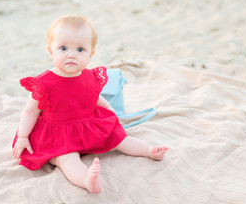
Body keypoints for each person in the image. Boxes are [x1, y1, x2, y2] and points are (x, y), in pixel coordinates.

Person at [12, 15, 168, 193]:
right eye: (63, 48)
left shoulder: (89, 77)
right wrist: (23, 136)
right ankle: (86, 180)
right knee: (67, 158)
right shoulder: (45, 82)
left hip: (87, 125)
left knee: (118, 138)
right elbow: (31, 112)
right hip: (57, 133)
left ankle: (149, 150)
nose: (71, 54)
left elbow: (95, 98)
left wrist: (112, 115)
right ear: (51, 51)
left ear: (90, 54)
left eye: (80, 49)